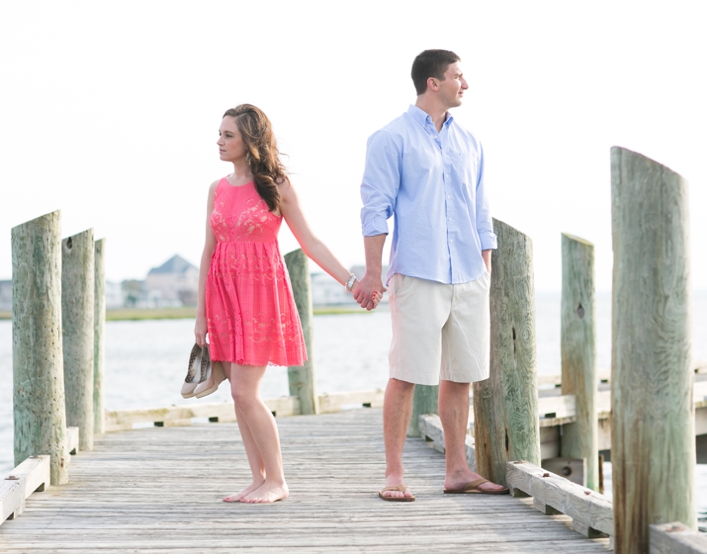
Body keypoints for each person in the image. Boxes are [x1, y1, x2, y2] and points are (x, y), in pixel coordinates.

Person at [353, 50, 507, 500]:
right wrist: (373, 273)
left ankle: (457, 470)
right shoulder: (390, 138)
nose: (466, 83)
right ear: (433, 82)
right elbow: (374, 209)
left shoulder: (471, 142)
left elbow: (481, 210)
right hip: (418, 273)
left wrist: (486, 270)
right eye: (459, 75)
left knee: (460, 375)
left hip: (468, 275)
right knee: (406, 374)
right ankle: (394, 475)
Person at [194, 104, 367, 504]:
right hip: (223, 295)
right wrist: (201, 313)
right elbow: (208, 250)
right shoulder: (216, 189)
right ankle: (258, 478)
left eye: (228, 135)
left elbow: (311, 242)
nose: (219, 141)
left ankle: (278, 480)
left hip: (260, 296)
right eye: (219, 134)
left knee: (244, 391)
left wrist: (351, 282)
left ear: (250, 140)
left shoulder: (277, 185)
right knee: (237, 393)